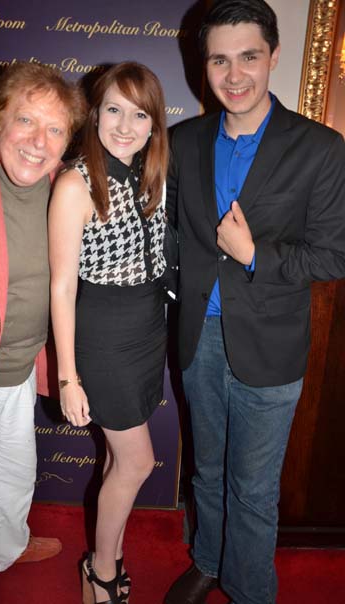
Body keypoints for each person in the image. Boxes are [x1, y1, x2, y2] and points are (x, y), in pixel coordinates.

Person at [164, 1, 345, 603]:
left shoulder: (320, 148)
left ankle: (249, 590)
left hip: (270, 346)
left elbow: (333, 256)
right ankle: (209, 562)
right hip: (197, 340)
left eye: (248, 56)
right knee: (207, 472)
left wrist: (253, 253)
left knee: (253, 487)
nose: (234, 74)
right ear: (203, 66)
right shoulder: (182, 141)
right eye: (220, 59)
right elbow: (167, 236)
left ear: (273, 56)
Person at [0, 61, 87, 604]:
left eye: (55, 129)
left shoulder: (62, 187)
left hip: (21, 370)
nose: (38, 141)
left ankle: (3, 545)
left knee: (15, 473)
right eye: (26, 120)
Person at [48, 61, 169, 603]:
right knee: (138, 460)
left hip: (147, 332)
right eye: (113, 110)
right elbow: (62, 289)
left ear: (154, 122)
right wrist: (68, 377)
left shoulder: (150, 172)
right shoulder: (77, 183)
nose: (125, 125)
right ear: (94, 113)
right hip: (103, 337)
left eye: (139, 113)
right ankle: (99, 569)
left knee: (123, 460)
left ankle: (110, 554)